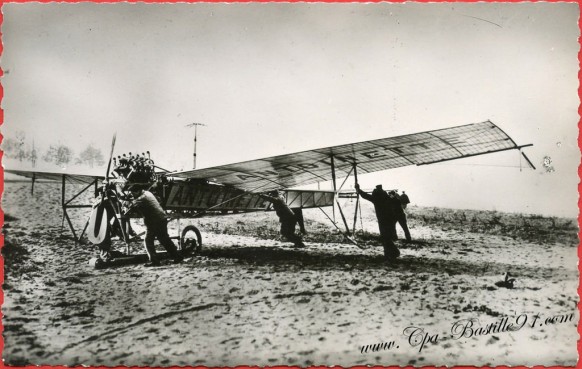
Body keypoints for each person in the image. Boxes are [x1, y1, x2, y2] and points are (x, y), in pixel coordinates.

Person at [124, 186, 184, 267]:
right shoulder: (147, 193)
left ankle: (154, 261)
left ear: (138, 191)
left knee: (148, 240)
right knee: (164, 239)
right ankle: (177, 256)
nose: (132, 195)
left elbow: (129, 206)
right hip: (161, 218)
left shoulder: (142, 198)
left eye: (133, 193)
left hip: (154, 221)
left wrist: (124, 199)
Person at [355, 184, 400, 260]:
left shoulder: (377, 198)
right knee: (387, 237)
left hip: (383, 220)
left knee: (385, 237)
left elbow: (365, 195)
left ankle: (394, 252)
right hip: (391, 219)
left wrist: (358, 189)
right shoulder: (386, 197)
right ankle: (389, 253)